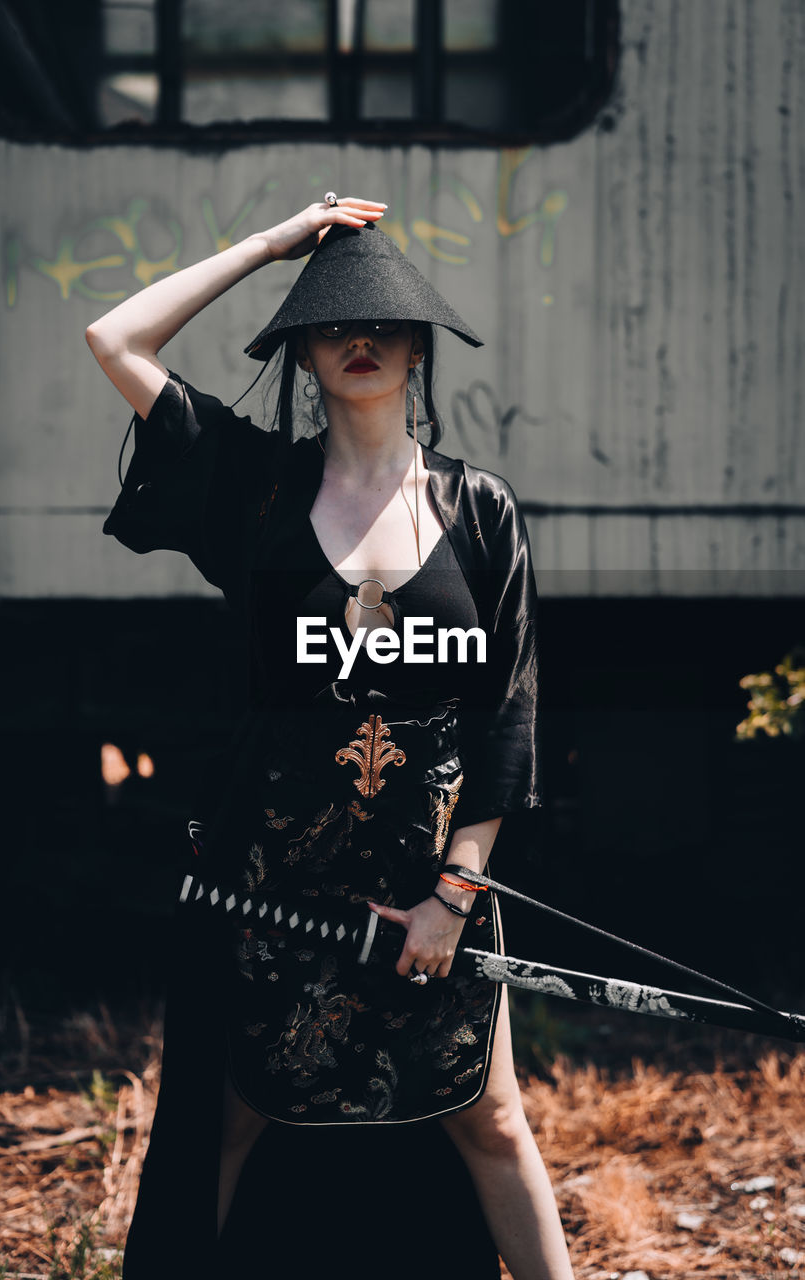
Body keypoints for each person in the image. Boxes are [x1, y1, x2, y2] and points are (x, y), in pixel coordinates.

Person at [86, 194, 575, 1280]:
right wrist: (272, 244)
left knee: (491, 1121)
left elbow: (506, 714)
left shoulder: (478, 511)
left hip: (434, 891)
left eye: (385, 325)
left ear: (416, 349)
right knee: (232, 1122)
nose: (361, 340)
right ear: (304, 352)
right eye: (333, 325)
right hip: (274, 887)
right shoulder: (254, 492)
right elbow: (113, 338)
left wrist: (454, 894)